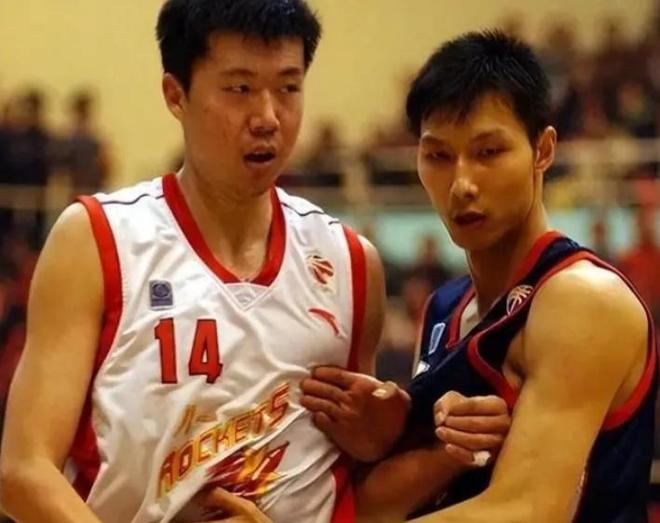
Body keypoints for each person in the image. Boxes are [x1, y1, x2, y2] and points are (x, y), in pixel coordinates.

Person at [0, 3, 508, 523]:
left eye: (288, 88)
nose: (267, 117)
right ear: (176, 94)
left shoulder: (351, 262)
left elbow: (353, 489)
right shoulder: (96, 240)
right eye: (240, 89)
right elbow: (23, 470)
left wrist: (429, 443)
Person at [292, 31, 657, 522]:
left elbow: (529, 510)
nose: (462, 183)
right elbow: (381, 508)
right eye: (439, 156)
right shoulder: (444, 308)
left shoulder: (583, 298)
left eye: (488, 153)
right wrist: (423, 441)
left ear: (544, 150)